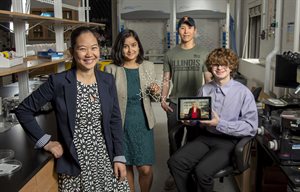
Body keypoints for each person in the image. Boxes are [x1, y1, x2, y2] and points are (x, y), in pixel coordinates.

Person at [15, 26, 129, 192]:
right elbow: (23, 110)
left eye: (94, 48)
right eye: (82, 49)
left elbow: (115, 120)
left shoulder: (107, 80)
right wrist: (45, 142)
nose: (89, 54)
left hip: (105, 161)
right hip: (75, 164)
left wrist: (119, 156)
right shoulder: (59, 82)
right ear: (72, 51)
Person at [167, 48, 258, 192]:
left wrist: (219, 123)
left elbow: (251, 127)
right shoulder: (205, 89)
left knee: (202, 171)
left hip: (229, 141)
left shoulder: (243, 93)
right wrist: (190, 121)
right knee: (175, 162)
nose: (220, 68)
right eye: (216, 64)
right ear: (210, 67)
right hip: (206, 137)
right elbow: (198, 118)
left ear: (231, 67)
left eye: (224, 64)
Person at [160, 16, 212, 189]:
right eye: (182, 28)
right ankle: (174, 173)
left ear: (195, 31)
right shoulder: (170, 54)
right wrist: (163, 98)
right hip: (175, 102)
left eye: (189, 28)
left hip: (195, 104)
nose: (186, 31)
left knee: (194, 140)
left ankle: (190, 171)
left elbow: (209, 80)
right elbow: (166, 79)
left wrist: (211, 102)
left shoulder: (204, 53)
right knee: (174, 139)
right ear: (178, 31)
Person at [105, 29, 159, 192]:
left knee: (145, 169)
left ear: (139, 46)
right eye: (126, 46)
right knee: (126, 165)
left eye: (134, 45)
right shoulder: (111, 69)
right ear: (119, 48)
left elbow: (154, 99)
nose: (130, 50)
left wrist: (155, 91)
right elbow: (107, 100)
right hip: (121, 124)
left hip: (143, 123)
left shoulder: (148, 67)